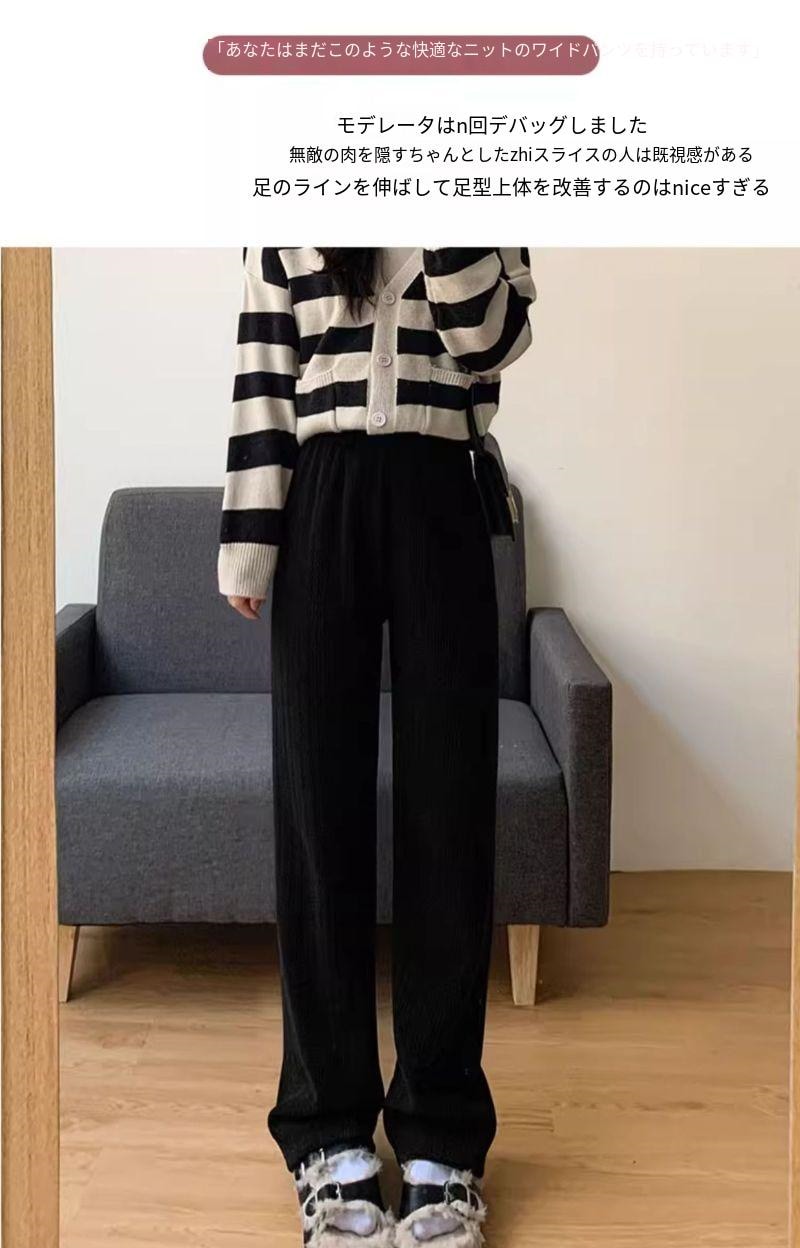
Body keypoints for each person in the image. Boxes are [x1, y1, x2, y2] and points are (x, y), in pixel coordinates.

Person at [218, 246, 535, 1247]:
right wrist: (249, 539)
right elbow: (266, 369)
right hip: (323, 496)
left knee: (450, 815)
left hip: (444, 495)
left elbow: (492, 342)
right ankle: (326, 1130)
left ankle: (442, 1139)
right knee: (318, 817)